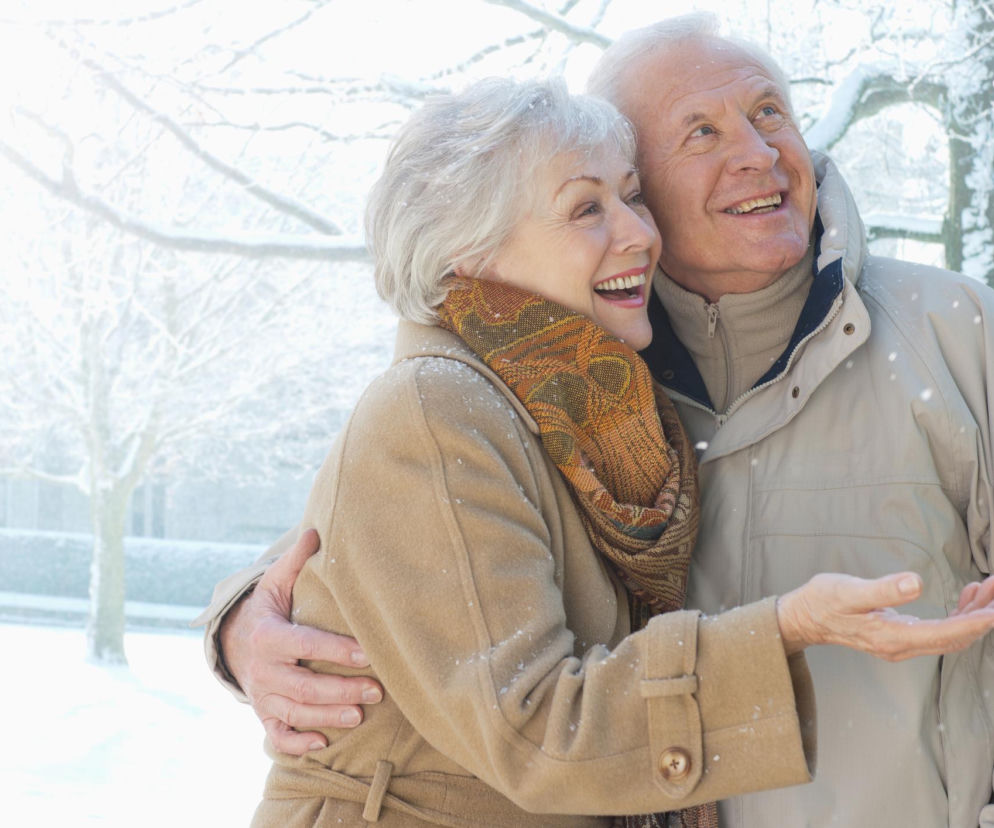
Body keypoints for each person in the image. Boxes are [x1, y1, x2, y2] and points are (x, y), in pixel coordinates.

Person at [197, 15, 994, 828]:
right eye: (698, 134)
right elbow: (387, 552)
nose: (755, 153)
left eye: (769, 114)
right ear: (476, 253)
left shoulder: (949, 333)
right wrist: (246, 619)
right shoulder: (544, 388)